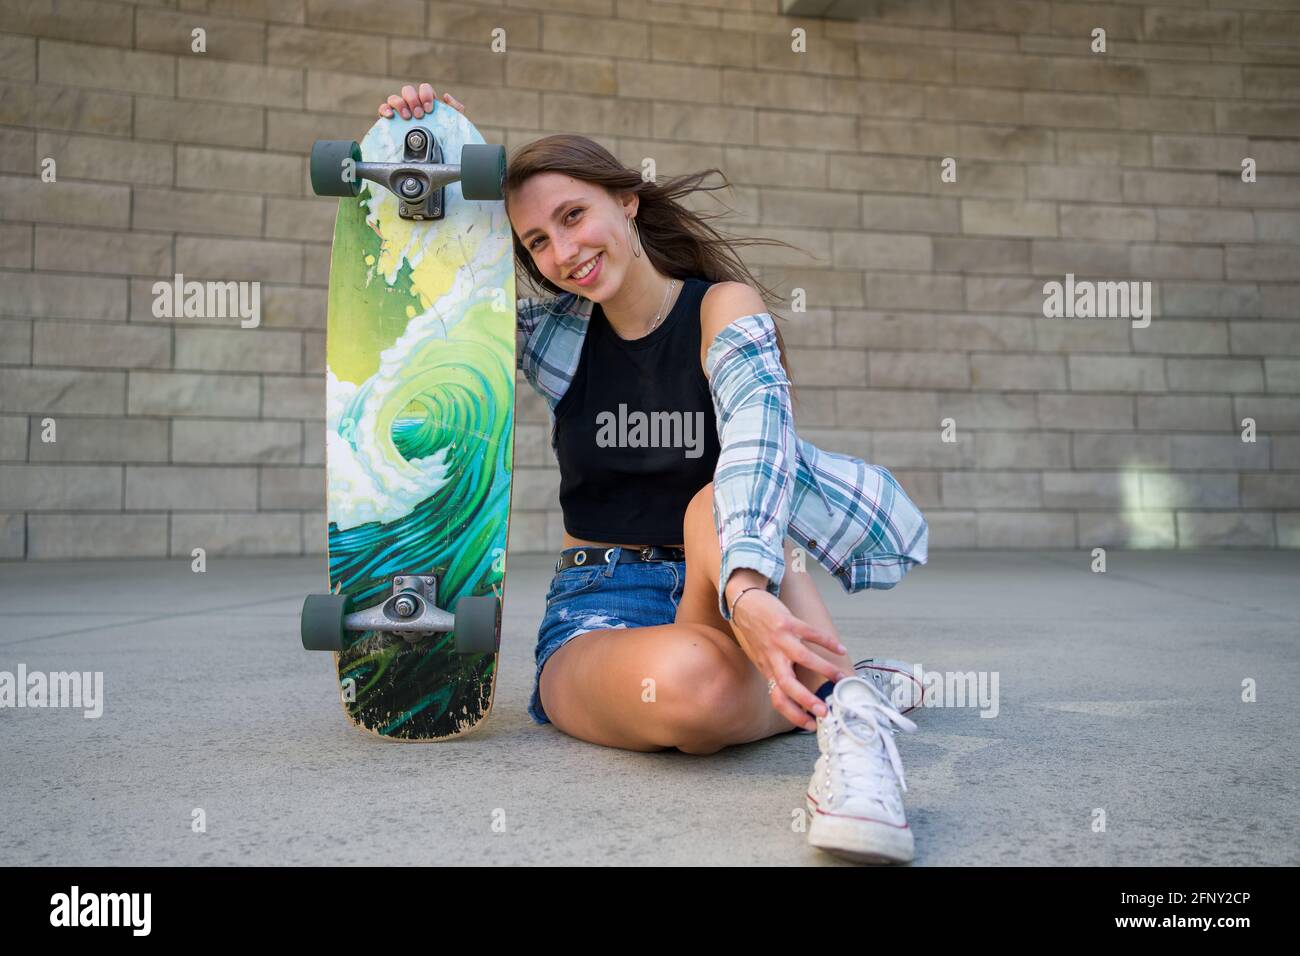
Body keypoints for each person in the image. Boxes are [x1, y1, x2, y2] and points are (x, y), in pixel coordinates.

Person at [377, 84, 931, 863]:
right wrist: (429, 145)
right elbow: (436, 293)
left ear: (628, 202)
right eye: (535, 241)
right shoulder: (550, 339)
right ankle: (842, 687)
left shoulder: (721, 308)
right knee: (693, 688)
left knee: (717, 501)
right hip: (596, 612)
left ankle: (849, 730)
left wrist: (742, 588)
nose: (562, 252)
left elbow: (757, 441)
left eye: (573, 216)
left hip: (732, 571)